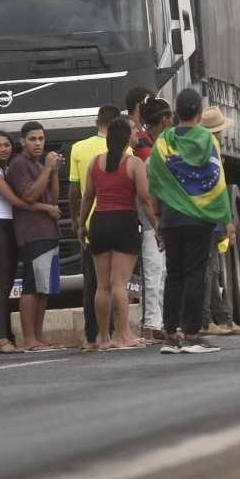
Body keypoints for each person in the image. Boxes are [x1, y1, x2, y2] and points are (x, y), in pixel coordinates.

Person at [149, 88, 236, 354]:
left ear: (176, 112)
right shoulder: (208, 141)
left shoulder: (163, 142)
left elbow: (155, 183)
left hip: (171, 218)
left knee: (173, 274)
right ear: (199, 113)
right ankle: (192, 334)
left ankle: (170, 332)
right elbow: (216, 183)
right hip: (200, 219)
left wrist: (157, 219)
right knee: (195, 275)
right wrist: (226, 220)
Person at [78, 117, 159, 350]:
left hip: (99, 223)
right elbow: (144, 199)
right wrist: (156, 226)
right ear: (125, 138)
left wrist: (81, 225)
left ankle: (103, 338)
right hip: (124, 222)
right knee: (119, 284)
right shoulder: (133, 164)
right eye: (132, 132)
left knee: (102, 285)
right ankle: (124, 335)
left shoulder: (95, 163)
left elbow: (87, 198)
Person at [0, 130, 56, 354]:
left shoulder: (7, 168)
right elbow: (16, 200)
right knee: (3, 282)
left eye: (6, 145)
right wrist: (46, 208)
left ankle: (4, 337)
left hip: (11, 225)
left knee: (10, 281)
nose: (4, 149)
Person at [7, 121, 65, 352]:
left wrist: (53, 171)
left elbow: (53, 196)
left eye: (41, 138)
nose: (38, 143)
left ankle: (38, 338)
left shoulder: (40, 165)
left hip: (49, 231)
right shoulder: (19, 164)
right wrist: (48, 169)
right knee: (32, 285)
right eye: (32, 139)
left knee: (44, 288)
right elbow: (30, 195)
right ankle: (29, 338)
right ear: (22, 141)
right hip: (32, 233)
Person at [69, 105, 122, 350]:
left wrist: (76, 220)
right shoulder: (124, 149)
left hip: (91, 223)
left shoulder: (78, 149)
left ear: (96, 121)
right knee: (116, 282)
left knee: (93, 283)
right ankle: (114, 334)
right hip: (120, 221)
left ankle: (92, 337)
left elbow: (75, 191)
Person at [199, 106, 240, 335]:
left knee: (212, 268)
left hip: (205, 214)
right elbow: (218, 185)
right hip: (213, 214)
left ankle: (224, 319)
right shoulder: (212, 147)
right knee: (210, 269)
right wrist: (227, 219)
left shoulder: (200, 144)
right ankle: (208, 320)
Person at [138, 97, 173, 343]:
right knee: (153, 270)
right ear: (164, 119)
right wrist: (156, 220)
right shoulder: (145, 147)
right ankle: (152, 323)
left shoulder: (152, 142)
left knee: (160, 271)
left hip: (154, 214)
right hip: (148, 215)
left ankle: (158, 320)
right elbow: (147, 189)